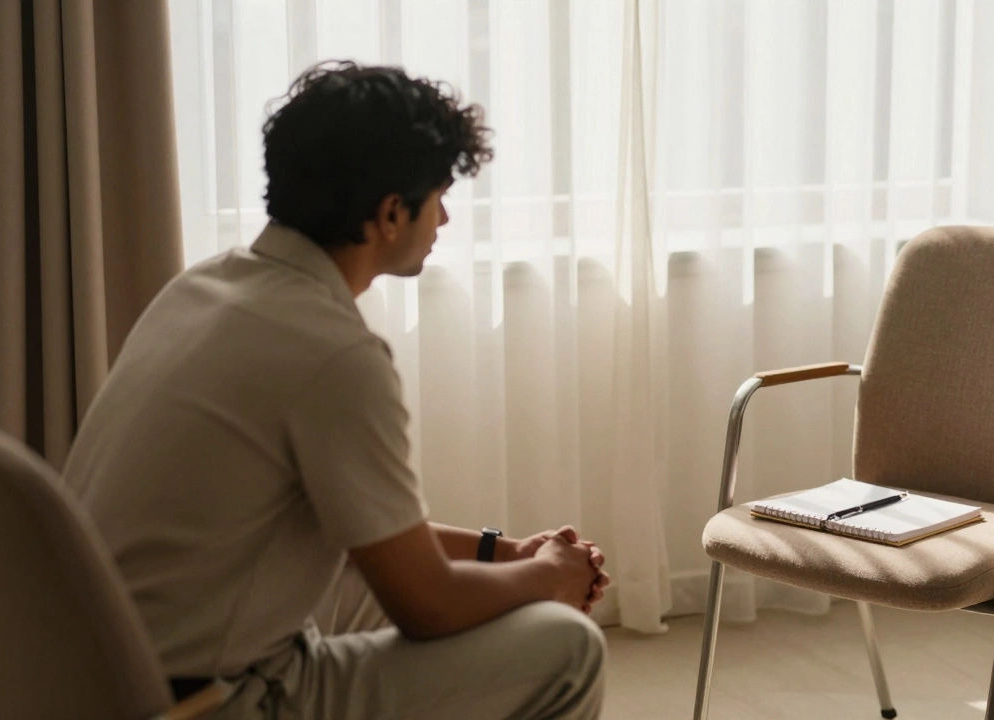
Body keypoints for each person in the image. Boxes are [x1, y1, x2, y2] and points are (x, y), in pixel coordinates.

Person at [63, 61, 610, 720]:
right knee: (567, 647)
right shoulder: (335, 354)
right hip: (209, 701)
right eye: (437, 195)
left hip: (95, 671)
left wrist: (505, 555)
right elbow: (427, 606)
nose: (444, 217)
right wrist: (550, 577)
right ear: (388, 214)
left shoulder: (201, 289)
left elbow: (362, 532)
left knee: (359, 573)